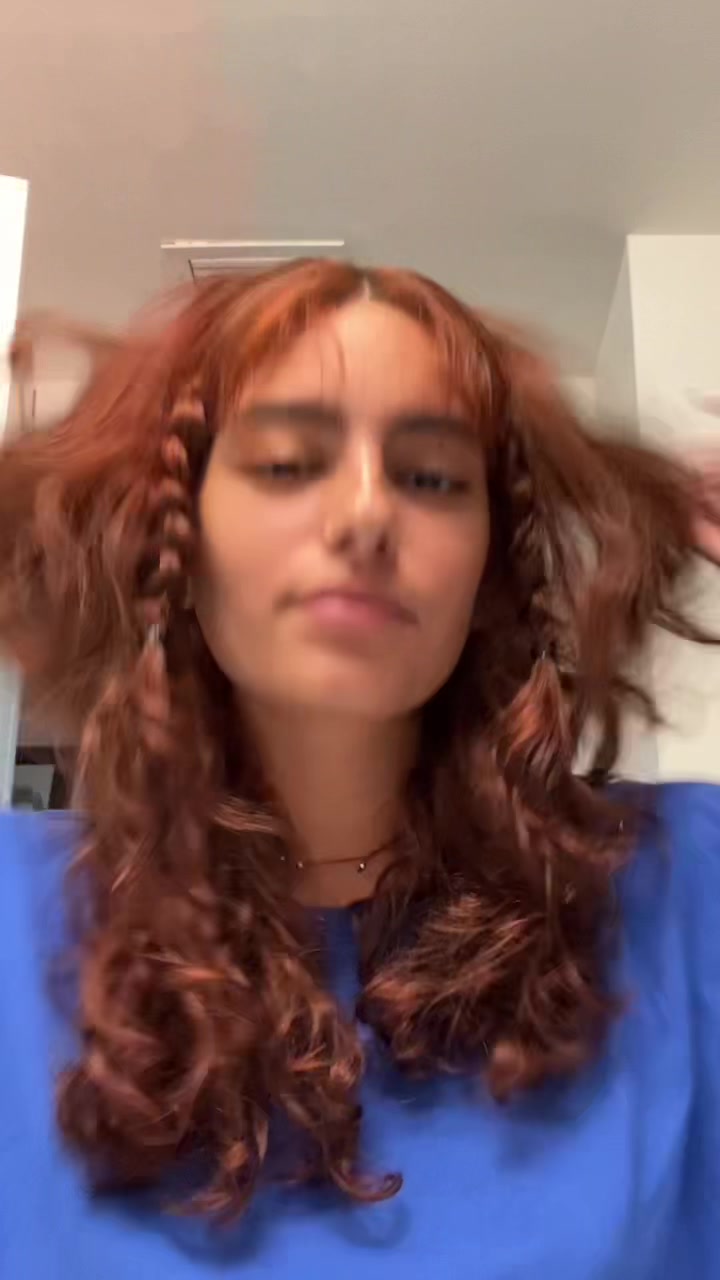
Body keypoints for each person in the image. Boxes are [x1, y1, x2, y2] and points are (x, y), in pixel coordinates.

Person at [0, 259, 719, 1280]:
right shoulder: (14, 911)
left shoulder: (679, 888)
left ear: (489, 572)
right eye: (287, 463)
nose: (367, 513)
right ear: (177, 542)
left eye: (433, 478)